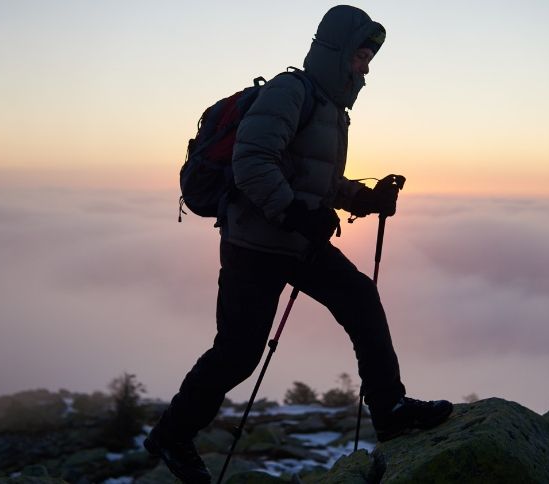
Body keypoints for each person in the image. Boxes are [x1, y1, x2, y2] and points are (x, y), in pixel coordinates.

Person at [144, 5, 453, 483]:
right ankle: (171, 435)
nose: (366, 66)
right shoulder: (292, 92)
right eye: (360, 55)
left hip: (295, 239)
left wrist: (367, 198)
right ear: (338, 51)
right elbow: (252, 161)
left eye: (370, 57)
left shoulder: (330, 108)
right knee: (238, 353)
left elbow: (316, 179)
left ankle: (390, 409)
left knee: (360, 300)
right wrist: (292, 211)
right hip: (255, 242)